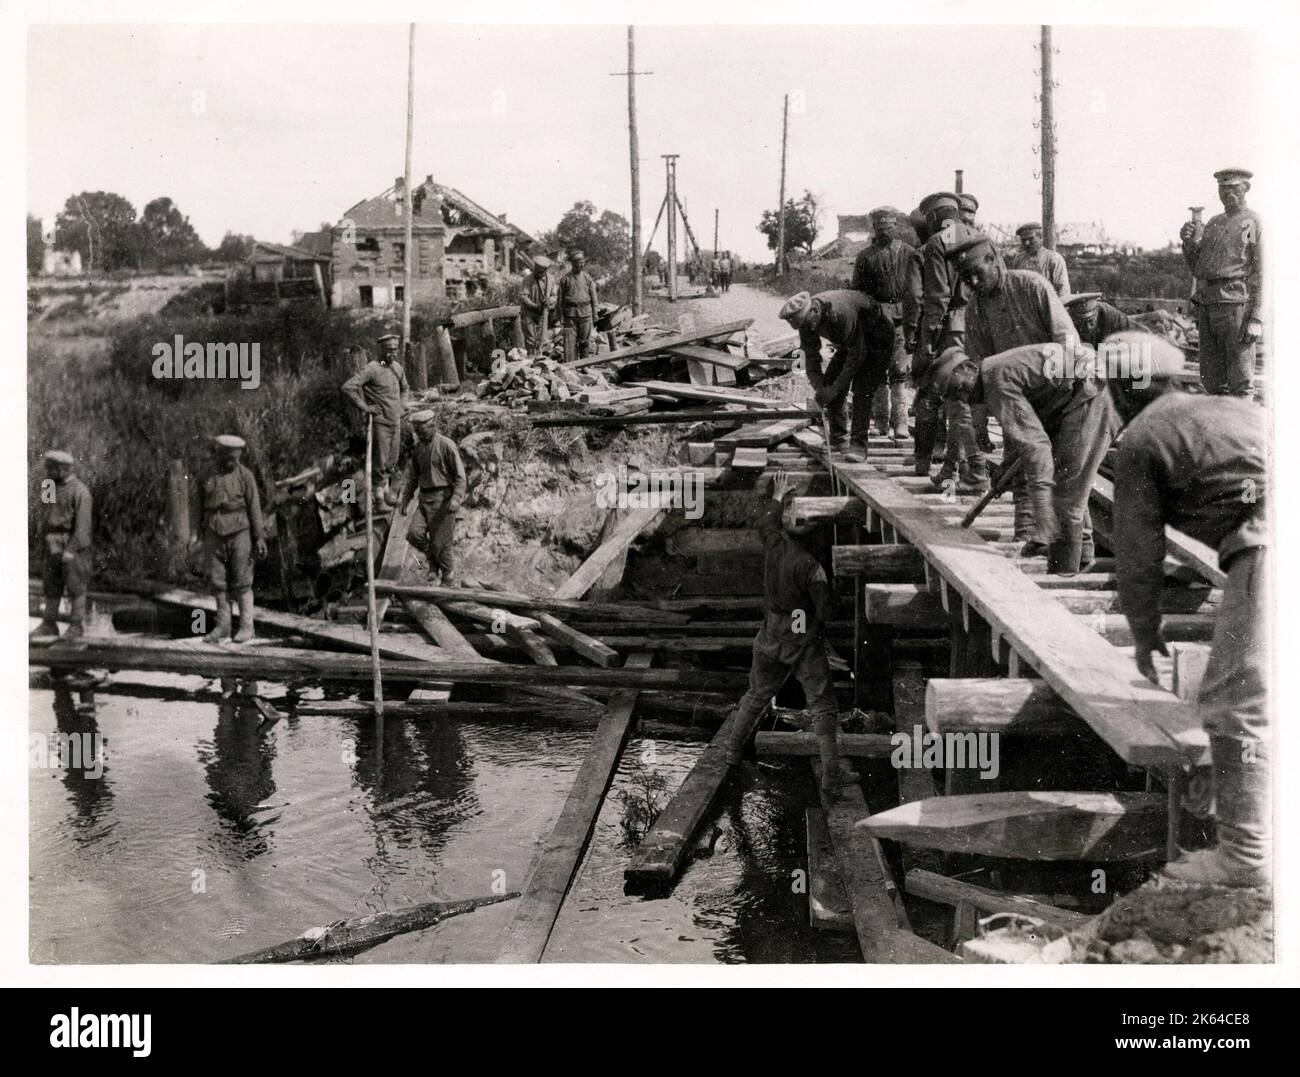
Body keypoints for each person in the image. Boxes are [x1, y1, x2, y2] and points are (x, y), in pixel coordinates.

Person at [1110, 330, 1268, 886]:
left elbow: (1137, 557)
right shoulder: (1234, 405)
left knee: (1235, 700)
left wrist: (1145, 634)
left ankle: (1245, 859)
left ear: (1120, 390)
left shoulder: (1141, 438)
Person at [929, 332, 1124, 575]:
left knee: (1067, 488)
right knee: (1068, 480)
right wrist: (1006, 471)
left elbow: (1036, 448)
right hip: (1084, 392)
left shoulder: (996, 382)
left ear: (969, 369)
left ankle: (1064, 573)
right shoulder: (995, 372)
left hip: (1095, 393)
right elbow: (1029, 433)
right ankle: (1080, 558)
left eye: (959, 388)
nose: (962, 397)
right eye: (954, 396)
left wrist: (1041, 524)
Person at [731, 470, 850, 798]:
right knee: (823, 704)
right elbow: (825, 611)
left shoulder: (775, 543)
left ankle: (730, 752)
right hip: (800, 634)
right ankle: (831, 775)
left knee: (756, 693)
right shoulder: (812, 568)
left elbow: (765, 523)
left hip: (771, 630)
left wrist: (778, 495)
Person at [949, 233, 1076, 509]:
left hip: (1058, 396)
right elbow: (976, 372)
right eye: (965, 278)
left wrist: (1062, 398)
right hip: (1014, 401)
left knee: (1065, 479)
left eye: (976, 273)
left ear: (994, 260)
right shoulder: (976, 310)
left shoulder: (1033, 286)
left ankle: (1071, 548)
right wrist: (980, 423)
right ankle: (1025, 540)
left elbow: (1067, 343)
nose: (972, 283)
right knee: (1018, 474)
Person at [778, 289, 896, 462]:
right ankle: (839, 438)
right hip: (852, 341)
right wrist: (821, 388)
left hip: (879, 337)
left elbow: (856, 357)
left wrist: (833, 391)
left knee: (862, 389)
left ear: (815, 311)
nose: (809, 329)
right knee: (830, 381)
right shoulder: (805, 320)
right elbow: (810, 357)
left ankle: (858, 447)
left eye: (808, 324)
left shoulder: (839, 312)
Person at [1180, 167, 1263, 396]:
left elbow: (1262, 271)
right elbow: (1199, 268)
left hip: (1235, 306)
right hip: (1208, 306)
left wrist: (1256, 316)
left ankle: (1240, 432)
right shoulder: (1214, 223)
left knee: (1240, 381)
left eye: (1234, 188)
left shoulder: (1251, 222)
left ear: (1246, 188)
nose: (1228, 194)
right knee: (1212, 380)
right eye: (1223, 189)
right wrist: (1188, 243)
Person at [914, 192, 979, 480]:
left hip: (950, 328)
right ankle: (955, 464)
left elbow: (938, 295)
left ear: (932, 217)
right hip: (978, 326)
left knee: (937, 395)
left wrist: (928, 336)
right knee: (965, 396)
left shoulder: (936, 243)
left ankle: (932, 464)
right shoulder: (979, 237)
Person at [851, 207, 921, 442]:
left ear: (895, 227)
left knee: (900, 371)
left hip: (902, 318)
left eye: (889, 227)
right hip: (876, 318)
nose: (884, 232)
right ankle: (881, 424)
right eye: (880, 228)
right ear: (874, 228)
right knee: (878, 372)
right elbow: (857, 291)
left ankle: (900, 423)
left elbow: (917, 288)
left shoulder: (909, 253)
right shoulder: (865, 257)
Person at [200, 435, 266, 643]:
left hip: (240, 531)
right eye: (227, 458)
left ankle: (247, 627)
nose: (231, 462)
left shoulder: (245, 476)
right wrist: (196, 534)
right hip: (213, 531)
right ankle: (223, 627)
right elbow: (197, 504)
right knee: (218, 581)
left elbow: (254, 507)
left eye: (234, 458)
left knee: (242, 580)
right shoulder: (208, 475)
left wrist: (259, 537)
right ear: (219, 454)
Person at [399, 409, 467, 586]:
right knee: (414, 534)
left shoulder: (446, 445)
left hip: (443, 499)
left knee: (442, 543)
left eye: (422, 430)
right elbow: (413, 477)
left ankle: (448, 579)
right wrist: (406, 499)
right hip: (424, 498)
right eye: (416, 431)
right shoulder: (419, 448)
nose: (418, 434)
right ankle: (432, 562)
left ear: (432, 426)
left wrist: (456, 498)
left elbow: (460, 476)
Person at [342, 332, 410, 507]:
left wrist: (403, 405)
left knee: (392, 460)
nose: (392, 354)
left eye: (395, 350)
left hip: (395, 421)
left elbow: (405, 388)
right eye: (389, 350)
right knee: (380, 462)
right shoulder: (372, 368)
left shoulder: (397, 368)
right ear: (381, 351)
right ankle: (379, 499)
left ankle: (387, 494)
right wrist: (365, 408)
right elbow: (348, 387)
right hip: (380, 422)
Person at [32, 449, 93, 640]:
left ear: (63, 469)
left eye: (51, 468)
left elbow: (83, 528)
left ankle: (76, 626)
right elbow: (46, 515)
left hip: (70, 544)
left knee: (76, 587)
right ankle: (49, 624)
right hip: (51, 544)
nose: (47, 472)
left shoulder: (80, 492)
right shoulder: (49, 487)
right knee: (51, 585)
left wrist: (71, 550)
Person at [1007, 223, 1071, 298]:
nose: (1027, 243)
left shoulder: (1054, 259)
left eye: (1031, 239)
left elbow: (1063, 291)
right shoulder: (1018, 259)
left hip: (1047, 305)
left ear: (1040, 237)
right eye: (1023, 240)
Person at [557, 250, 599, 359]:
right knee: (571, 341)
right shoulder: (565, 279)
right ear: (573, 264)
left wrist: (595, 313)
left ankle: (584, 364)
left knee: (585, 340)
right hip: (570, 315)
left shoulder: (587, 278)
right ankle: (572, 365)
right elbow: (560, 301)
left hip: (586, 313)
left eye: (582, 262)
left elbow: (594, 297)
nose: (580, 265)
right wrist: (561, 316)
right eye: (578, 262)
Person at [1063, 292, 1133, 350]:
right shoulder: (1065, 320)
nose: (1088, 327)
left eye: (1091, 321)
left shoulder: (1115, 318)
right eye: (1083, 322)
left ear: (1098, 312)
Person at [520, 256, 555, 354]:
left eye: (540, 272)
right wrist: (534, 306)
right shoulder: (527, 279)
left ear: (545, 270)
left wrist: (549, 300)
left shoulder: (551, 279)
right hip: (529, 313)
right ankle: (531, 361)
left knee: (543, 339)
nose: (538, 274)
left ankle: (542, 360)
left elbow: (555, 295)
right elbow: (523, 296)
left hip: (543, 313)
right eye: (536, 271)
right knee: (530, 340)